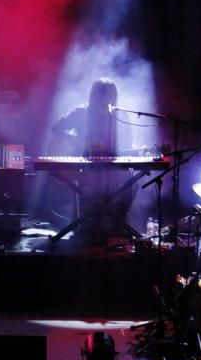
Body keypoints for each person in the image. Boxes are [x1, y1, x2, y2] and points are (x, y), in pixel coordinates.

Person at [46, 78, 135, 242]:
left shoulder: (120, 115)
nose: (107, 100)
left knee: (132, 181)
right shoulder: (81, 112)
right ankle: (91, 225)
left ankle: (116, 225)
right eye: (104, 96)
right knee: (96, 183)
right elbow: (56, 128)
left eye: (111, 96)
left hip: (114, 165)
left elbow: (128, 142)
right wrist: (80, 141)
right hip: (86, 165)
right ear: (95, 96)